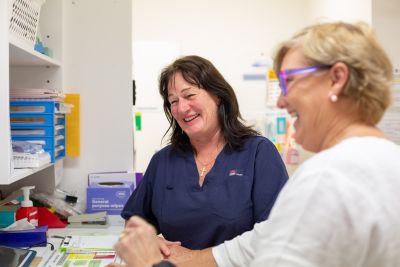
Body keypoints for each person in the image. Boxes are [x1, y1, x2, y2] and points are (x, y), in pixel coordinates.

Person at [111, 21, 400, 267]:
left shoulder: (327, 178)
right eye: (173, 101)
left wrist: (149, 263)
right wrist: (184, 257)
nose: (280, 100)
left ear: (337, 79)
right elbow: (255, 243)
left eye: (289, 82)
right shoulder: (388, 161)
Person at [121, 55, 288, 252]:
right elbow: (134, 221)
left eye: (190, 95)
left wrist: (197, 261)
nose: (182, 108)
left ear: (217, 96)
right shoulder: (163, 161)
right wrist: (148, 241)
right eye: (173, 101)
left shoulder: (258, 153)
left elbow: (277, 236)